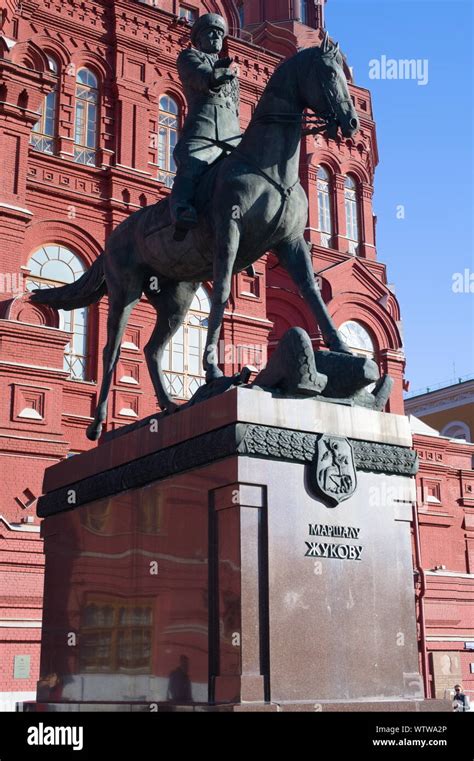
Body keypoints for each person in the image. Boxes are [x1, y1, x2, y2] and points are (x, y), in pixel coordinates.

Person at [169, 13, 241, 238]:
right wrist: (215, 76)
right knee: (192, 162)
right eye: (210, 32)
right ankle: (181, 209)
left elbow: (234, 108)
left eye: (219, 33)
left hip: (232, 137)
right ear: (198, 39)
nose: (216, 36)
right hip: (204, 131)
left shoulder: (231, 73)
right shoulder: (189, 56)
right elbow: (200, 77)